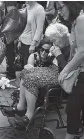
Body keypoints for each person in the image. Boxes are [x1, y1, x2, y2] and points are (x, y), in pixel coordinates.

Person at [3, 23, 70, 129]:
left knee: (31, 78)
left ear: (62, 37)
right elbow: (52, 62)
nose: (53, 44)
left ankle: (28, 116)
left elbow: (67, 69)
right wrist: (48, 56)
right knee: (24, 72)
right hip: (52, 70)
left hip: (60, 75)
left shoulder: (71, 46)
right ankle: (21, 107)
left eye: (54, 40)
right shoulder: (61, 44)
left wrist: (58, 55)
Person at [56, 2, 84, 139]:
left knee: (72, 108)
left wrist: (65, 70)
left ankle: (71, 135)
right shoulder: (75, 21)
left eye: (61, 7)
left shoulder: (81, 19)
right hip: (81, 71)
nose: (59, 11)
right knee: (73, 107)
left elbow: (82, 51)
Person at [17, 1, 46, 69]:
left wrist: (33, 44)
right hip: (23, 42)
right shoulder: (25, 6)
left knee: (29, 68)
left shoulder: (39, 9)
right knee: (23, 67)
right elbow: (22, 25)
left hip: (31, 44)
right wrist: (19, 40)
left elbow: (39, 29)